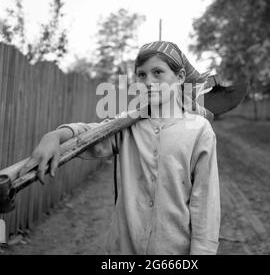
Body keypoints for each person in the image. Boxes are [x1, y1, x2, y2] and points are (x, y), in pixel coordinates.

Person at [24, 41, 221, 255]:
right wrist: (54, 136)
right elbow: (91, 135)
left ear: (180, 77)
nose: (148, 82)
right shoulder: (127, 125)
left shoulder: (199, 131)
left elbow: (205, 203)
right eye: (141, 75)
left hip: (173, 251)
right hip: (123, 249)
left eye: (157, 72)